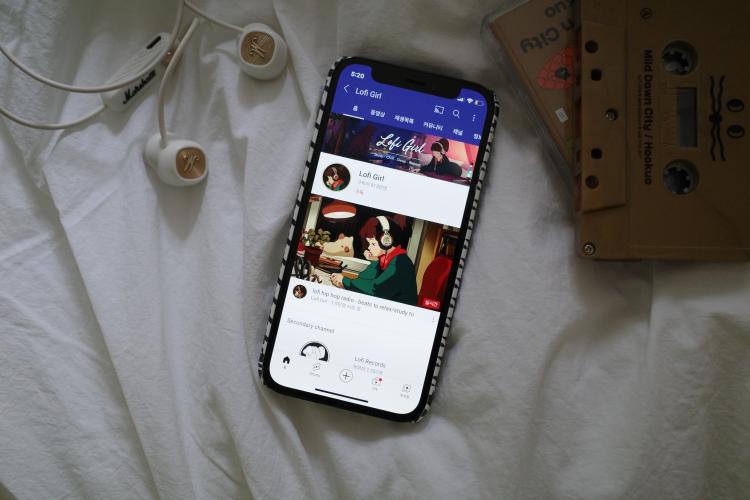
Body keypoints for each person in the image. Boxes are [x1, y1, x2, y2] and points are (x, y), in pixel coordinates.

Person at [330, 216, 417, 306]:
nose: (369, 247)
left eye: (373, 243)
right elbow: (363, 277)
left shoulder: (400, 262)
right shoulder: (382, 259)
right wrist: (343, 281)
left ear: (386, 242)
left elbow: (374, 289)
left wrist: (344, 281)